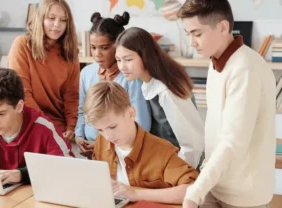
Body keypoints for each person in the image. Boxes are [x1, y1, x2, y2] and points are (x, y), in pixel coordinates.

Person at [178, 0, 276, 207]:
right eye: (189, 35)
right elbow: (215, 130)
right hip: (218, 184)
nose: (192, 43)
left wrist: (195, 191)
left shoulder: (245, 69)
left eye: (197, 34)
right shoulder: (217, 62)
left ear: (222, 27)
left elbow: (233, 142)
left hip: (244, 196)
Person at [83, 81, 198, 204]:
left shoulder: (162, 151)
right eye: (100, 130)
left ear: (131, 114)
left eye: (112, 127)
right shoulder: (102, 141)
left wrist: (136, 193)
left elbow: (193, 190)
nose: (108, 136)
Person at [115, 27, 204, 168]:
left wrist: (180, 174)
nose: (122, 66)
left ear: (145, 56)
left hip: (183, 168)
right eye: (118, 60)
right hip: (166, 163)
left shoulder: (165, 91)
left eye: (128, 59)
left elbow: (192, 144)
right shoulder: (148, 83)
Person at [74, 11, 151, 158]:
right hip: (90, 151)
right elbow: (82, 110)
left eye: (104, 48)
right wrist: (79, 136)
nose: (97, 54)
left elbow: (141, 124)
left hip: (122, 151)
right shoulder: (86, 73)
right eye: (93, 47)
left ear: (118, 46)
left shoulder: (132, 77)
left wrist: (102, 145)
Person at [7, 0, 79, 142]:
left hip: (59, 125)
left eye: (63, 20)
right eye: (51, 18)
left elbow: (72, 96)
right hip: (27, 120)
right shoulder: (22, 45)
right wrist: (47, 126)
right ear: (40, 19)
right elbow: (22, 93)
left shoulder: (71, 53)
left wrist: (71, 127)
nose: (57, 24)